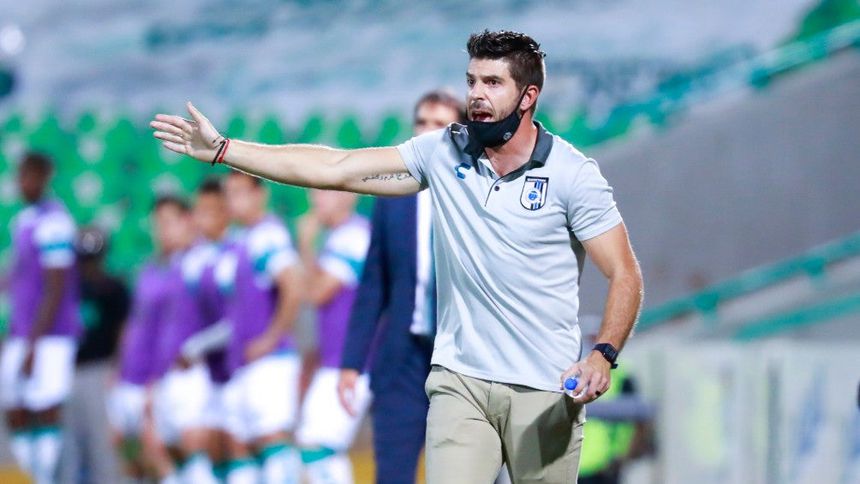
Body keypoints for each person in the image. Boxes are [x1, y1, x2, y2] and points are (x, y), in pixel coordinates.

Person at [151, 29, 644, 483]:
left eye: (493, 82)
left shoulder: (572, 175)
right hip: (461, 382)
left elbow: (624, 273)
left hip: (544, 386)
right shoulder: (443, 152)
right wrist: (226, 150)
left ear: (528, 96)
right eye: (472, 80)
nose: (476, 93)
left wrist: (603, 354)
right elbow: (337, 167)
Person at [337, 89, 465, 484]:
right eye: (422, 122)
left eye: (440, 124)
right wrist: (352, 362)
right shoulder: (393, 194)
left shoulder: (479, 192)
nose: (428, 131)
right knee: (392, 473)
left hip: (459, 356)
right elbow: (374, 282)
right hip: (401, 359)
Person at [212, 171, 304, 484]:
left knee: (271, 438)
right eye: (228, 193)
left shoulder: (268, 235)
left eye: (239, 192)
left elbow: (292, 286)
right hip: (243, 362)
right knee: (243, 446)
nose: (232, 201)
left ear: (259, 194)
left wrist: (270, 338)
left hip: (269, 361)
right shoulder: (242, 239)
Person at [2, 152, 82, 484]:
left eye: (29, 176)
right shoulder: (24, 220)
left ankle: (46, 476)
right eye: (20, 176)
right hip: (22, 331)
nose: (23, 183)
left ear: (44, 178)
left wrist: (34, 343)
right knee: (14, 405)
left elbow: (56, 286)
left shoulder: (55, 222)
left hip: (50, 336)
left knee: (45, 406)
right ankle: (29, 476)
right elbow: (19, 276)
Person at [108, 196, 192, 483]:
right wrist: (118, 367)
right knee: (128, 452)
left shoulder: (189, 269)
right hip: (130, 376)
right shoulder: (149, 268)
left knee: (160, 452)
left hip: (160, 379)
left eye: (169, 222)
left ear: (186, 222)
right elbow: (135, 323)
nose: (162, 231)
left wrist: (156, 382)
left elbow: (178, 331)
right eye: (158, 224)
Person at [294, 189, 371, 484]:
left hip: (351, 362)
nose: (316, 199)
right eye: (313, 192)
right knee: (316, 447)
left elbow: (316, 293)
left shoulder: (353, 236)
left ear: (348, 197)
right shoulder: (338, 237)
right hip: (336, 359)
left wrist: (305, 244)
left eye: (324, 191)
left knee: (318, 446)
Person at [62, 227, 130, 484]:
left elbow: (123, 331)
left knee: (101, 442)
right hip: (69, 371)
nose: (88, 266)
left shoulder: (113, 289)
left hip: (101, 369)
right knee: (70, 446)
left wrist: (118, 367)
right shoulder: (69, 290)